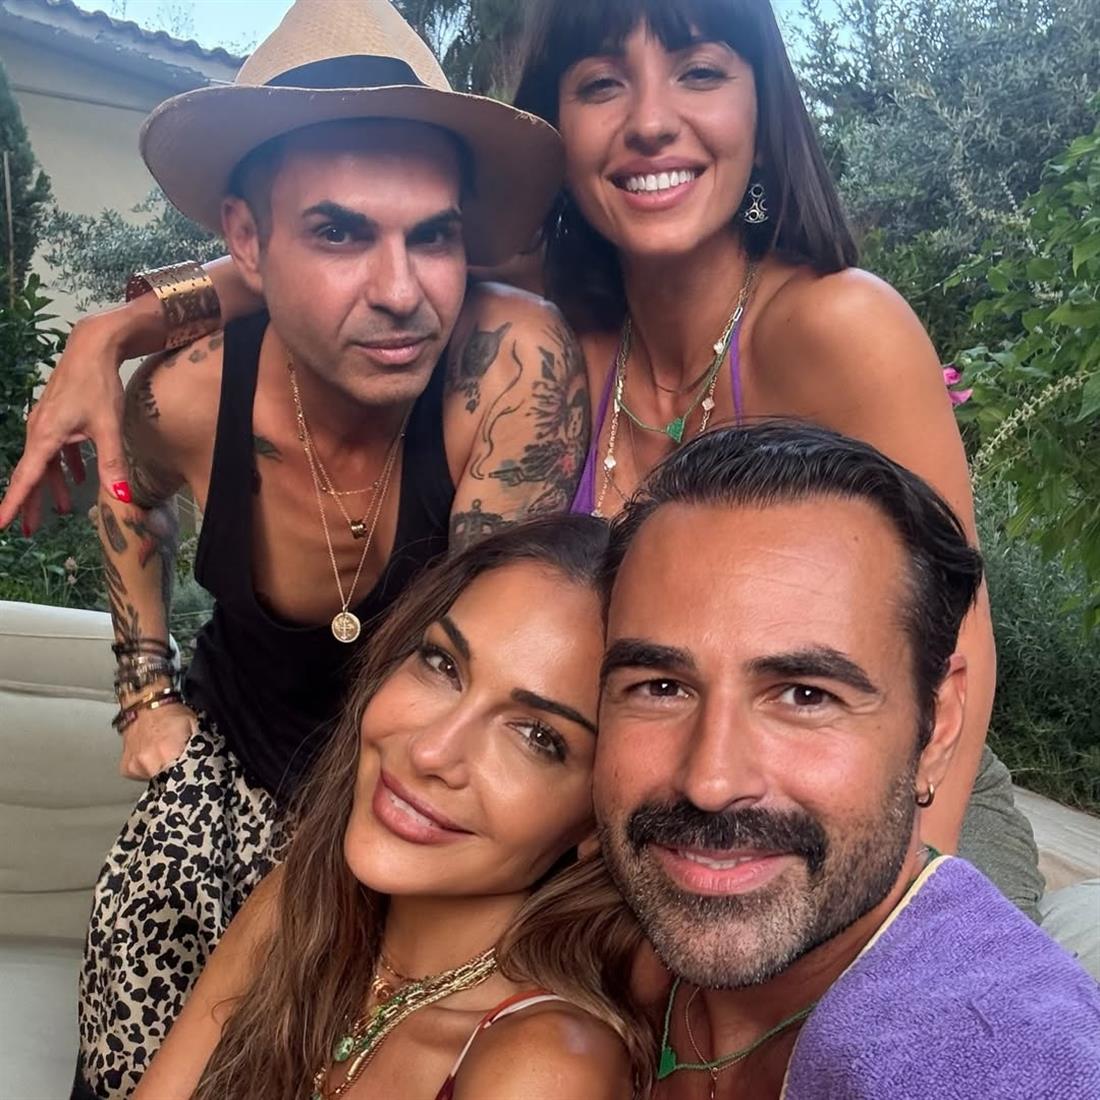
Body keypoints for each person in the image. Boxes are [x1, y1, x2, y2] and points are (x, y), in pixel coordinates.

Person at [1, 0, 1039, 908]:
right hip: (648, 787)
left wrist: (906, 903)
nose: (649, 119)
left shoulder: (836, 328)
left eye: (699, 72)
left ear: (761, 110)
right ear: (562, 127)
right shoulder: (554, 314)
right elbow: (326, 259)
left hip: (879, 783)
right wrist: (115, 332)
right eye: (601, 84)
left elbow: (959, 641)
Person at [67, 3, 587, 1096]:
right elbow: (124, 499)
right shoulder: (187, 394)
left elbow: (495, 648)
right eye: (340, 233)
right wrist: (142, 690)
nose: (401, 291)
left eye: (431, 235)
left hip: (411, 807)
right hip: (227, 782)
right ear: (247, 241)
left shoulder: (507, 368)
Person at [598, 423, 1100, 1099]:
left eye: (805, 695)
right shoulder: (592, 939)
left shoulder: (999, 1053)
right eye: (661, 687)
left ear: (937, 727)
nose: (710, 782)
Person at [132, 515, 645, 1100]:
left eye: (537, 736)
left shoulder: (545, 1068)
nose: (431, 751)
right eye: (443, 665)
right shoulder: (294, 908)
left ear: (599, 819)